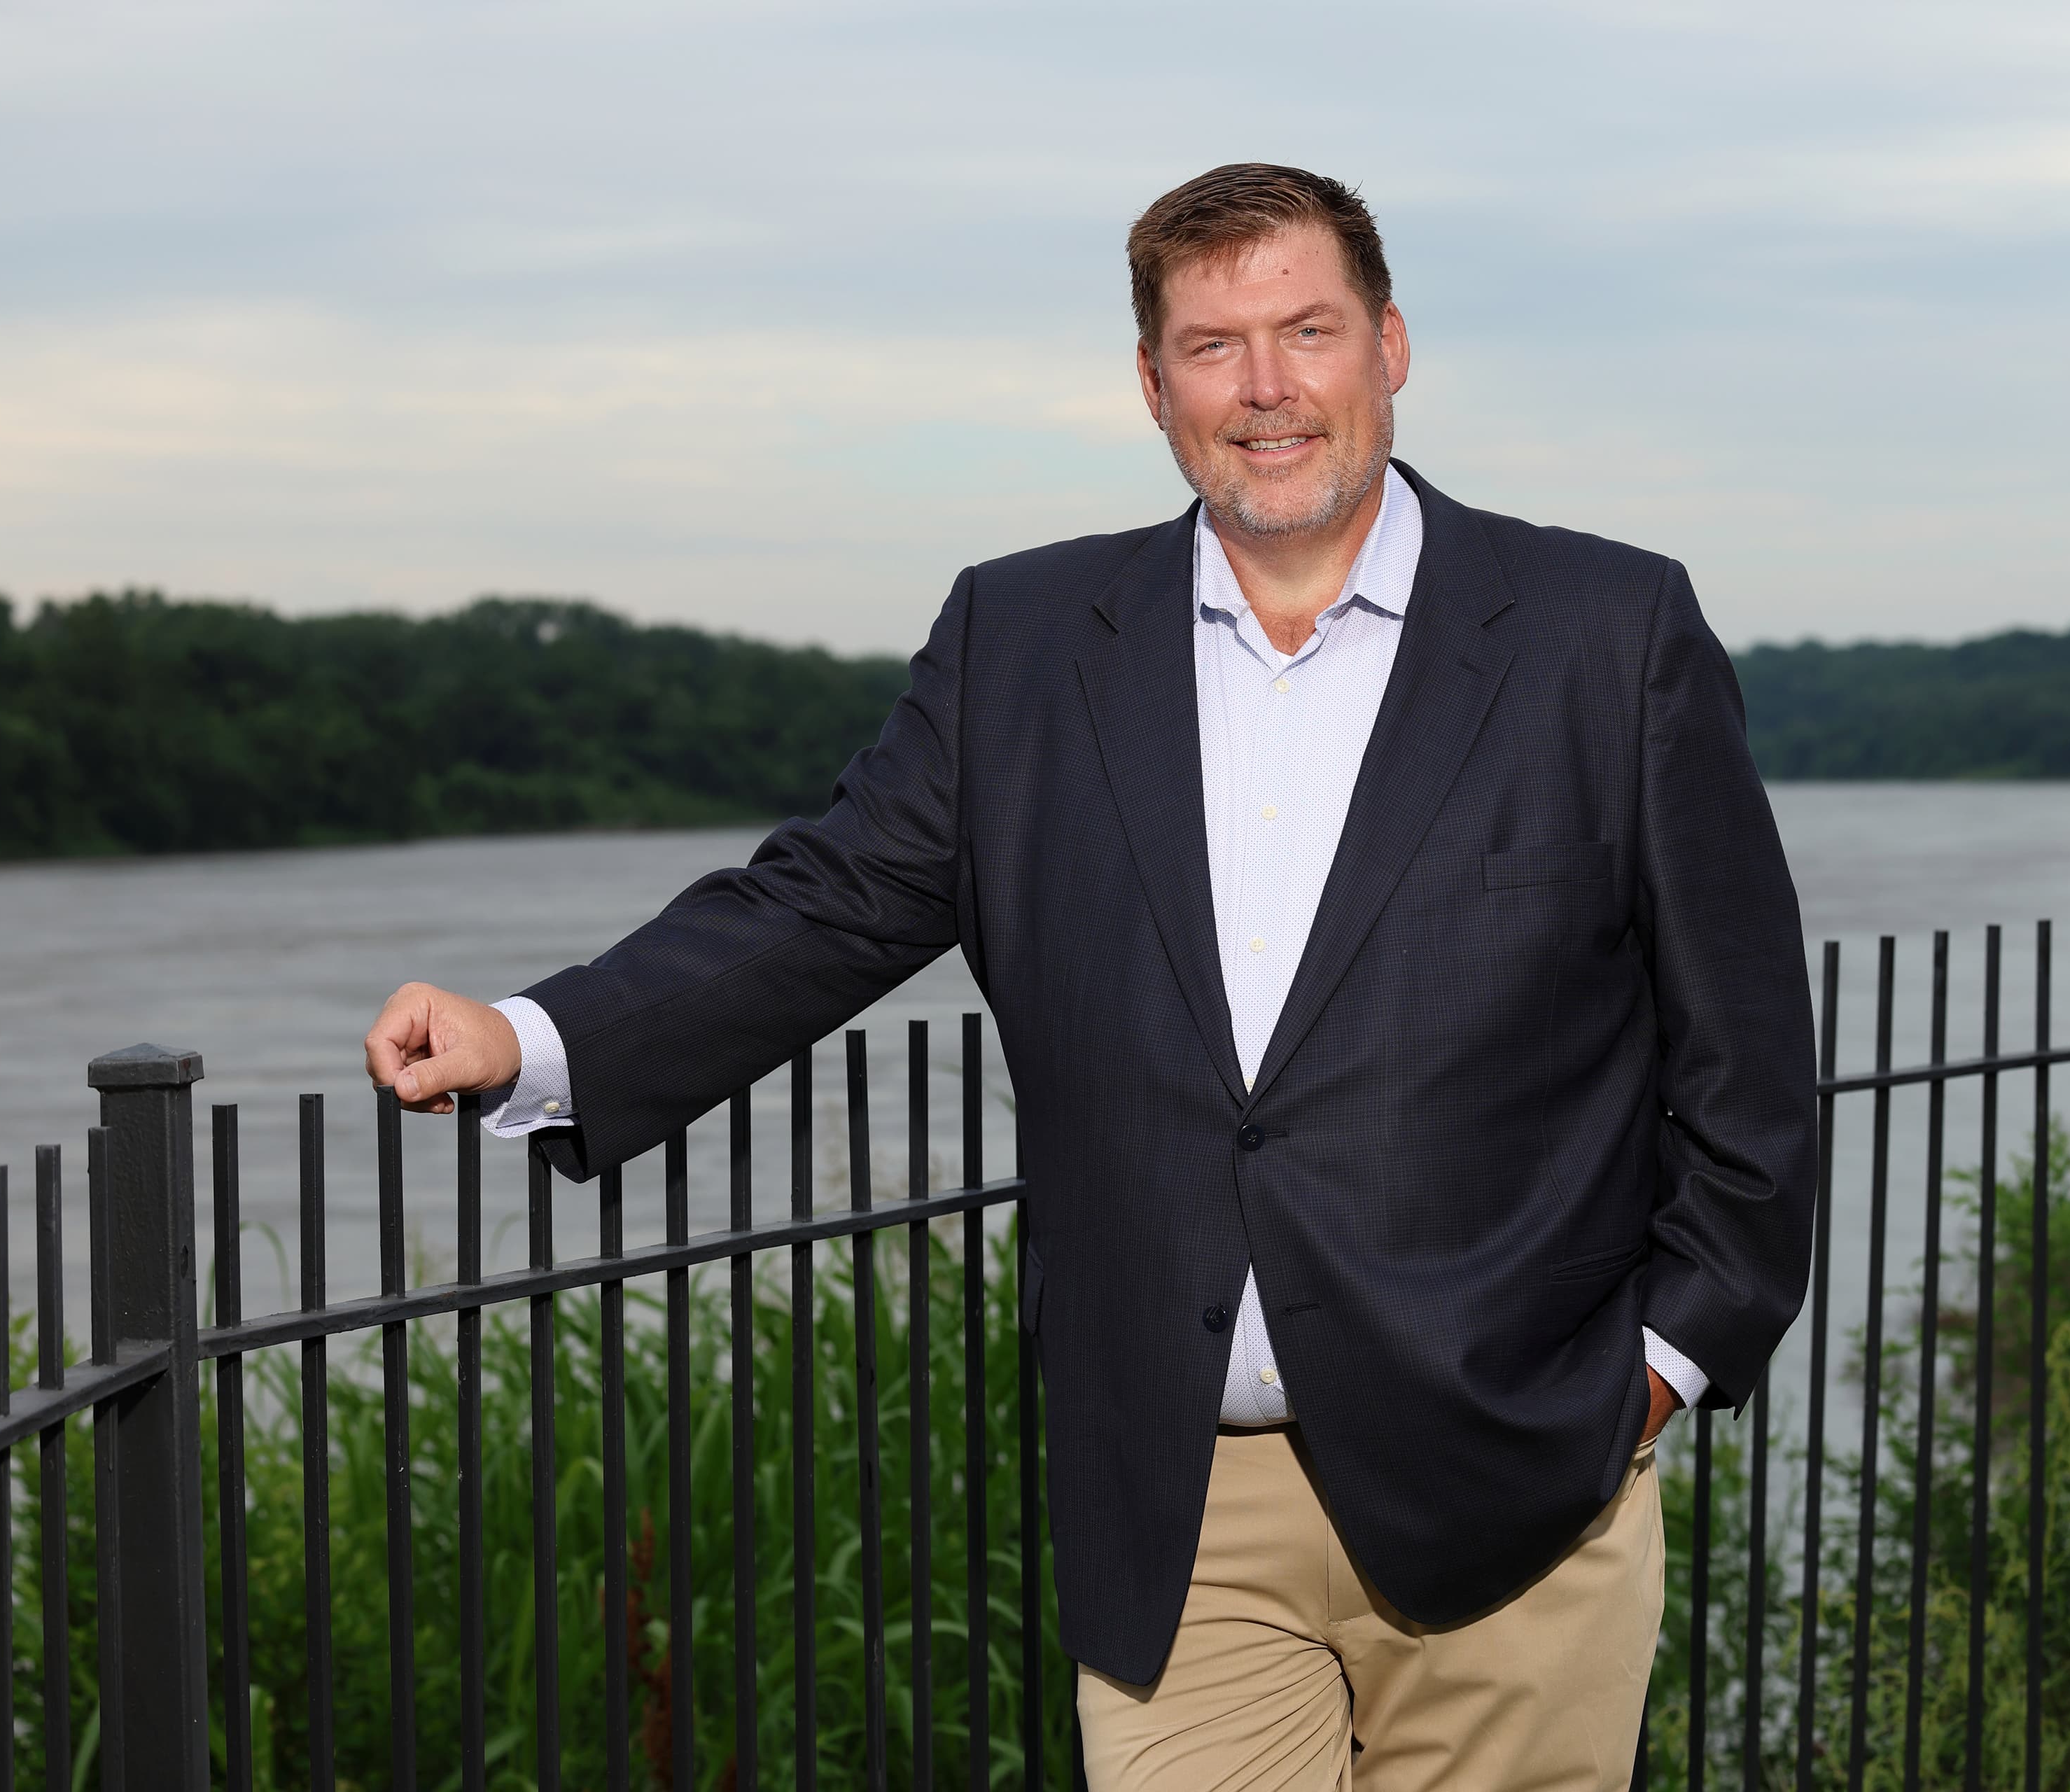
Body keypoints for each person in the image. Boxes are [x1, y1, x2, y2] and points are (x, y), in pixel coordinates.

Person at [365, 162, 1817, 1792]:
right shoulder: (1026, 638)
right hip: (1181, 1506)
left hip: (1520, 1473)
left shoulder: (1606, 631)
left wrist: (1658, 1370)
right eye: (1212, 346)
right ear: (1151, 382)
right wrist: (535, 1036)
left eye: (1307, 331)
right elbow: (828, 899)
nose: (1266, 386)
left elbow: (1749, 1059)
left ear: (1390, 344)